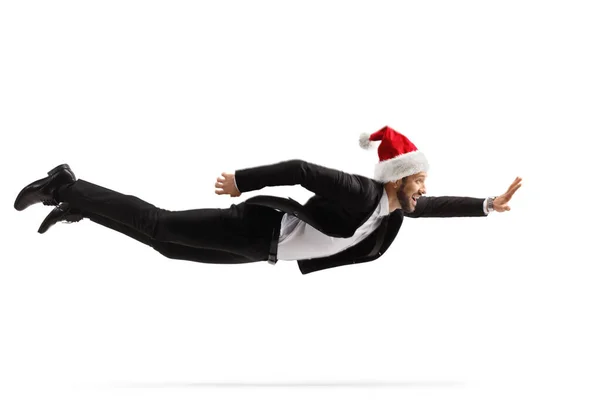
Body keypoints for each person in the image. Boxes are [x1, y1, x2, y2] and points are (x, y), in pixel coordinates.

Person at [13, 126, 522, 274]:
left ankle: (84, 206)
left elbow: (437, 207)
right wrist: (244, 181)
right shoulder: (364, 191)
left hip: (266, 252)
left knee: (165, 246)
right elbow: (300, 170)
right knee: (161, 224)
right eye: (419, 183)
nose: (424, 192)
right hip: (259, 230)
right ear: (396, 180)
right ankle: (65, 185)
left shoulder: (396, 209)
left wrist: (487, 204)